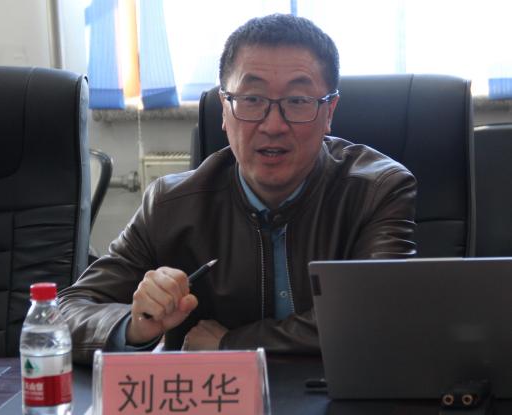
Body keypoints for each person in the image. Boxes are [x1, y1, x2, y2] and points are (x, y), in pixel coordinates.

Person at [59, 13, 417, 365]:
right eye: (252, 99)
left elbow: (379, 318)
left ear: (330, 112)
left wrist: (231, 344)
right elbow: (65, 313)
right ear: (224, 109)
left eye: (297, 101)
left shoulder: (377, 191)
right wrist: (136, 325)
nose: (273, 125)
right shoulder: (171, 205)